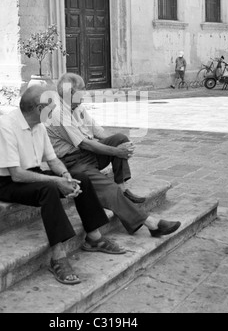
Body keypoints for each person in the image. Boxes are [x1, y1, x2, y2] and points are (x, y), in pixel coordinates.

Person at [0, 85, 125, 286]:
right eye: (50, 107)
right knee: (49, 188)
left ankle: (94, 237)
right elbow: (16, 175)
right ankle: (58, 257)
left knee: (81, 177)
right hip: (6, 182)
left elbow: (52, 161)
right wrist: (56, 181)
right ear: (38, 107)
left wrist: (66, 176)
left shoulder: (39, 126)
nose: (53, 111)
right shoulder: (6, 126)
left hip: (33, 174)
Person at [45, 73, 181, 238]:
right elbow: (85, 143)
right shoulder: (58, 112)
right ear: (69, 93)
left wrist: (120, 146)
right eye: (82, 91)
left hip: (86, 155)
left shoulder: (77, 106)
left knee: (119, 139)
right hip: (72, 163)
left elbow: (97, 131)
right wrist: (117, 152)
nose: (85, 94)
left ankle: (122, 187)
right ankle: (151, 224)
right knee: (109, 188)